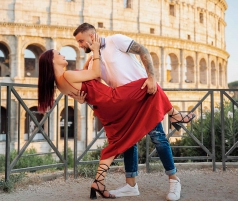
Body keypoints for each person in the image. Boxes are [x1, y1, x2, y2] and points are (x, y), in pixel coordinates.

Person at [37, 36, 195, 199]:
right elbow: (96, 73)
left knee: (118, 142)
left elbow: (88, 83)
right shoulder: (67, 76)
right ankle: (175, 115)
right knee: (148, 84)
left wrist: (88, 68)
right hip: (112, 99)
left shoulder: (61, 84)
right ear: (51, 61)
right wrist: (97, 51)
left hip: (103, 109)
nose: (62, 54)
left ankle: (100, 181)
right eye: (58, 54)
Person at [70, 22, 187, 201]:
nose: (79, 45)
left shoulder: (115, 40)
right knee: (128, 143)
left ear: (91, 36)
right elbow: (90, 85)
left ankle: (174, 180)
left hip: (143, 94)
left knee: (158, 137)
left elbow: (143, 50)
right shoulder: (95, 59)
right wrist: (82, 97)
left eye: (81, 41)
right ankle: (131, 185)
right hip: (124, 103)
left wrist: (152, 78)